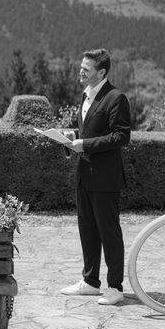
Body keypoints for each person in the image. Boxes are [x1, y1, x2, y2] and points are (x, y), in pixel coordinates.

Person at [60, 48, 131, 306]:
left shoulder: (116, 98)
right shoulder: (86, 96)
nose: (80, 70)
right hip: (84, 176)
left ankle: (115, 287)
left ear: (101, 72)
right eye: (81, 66)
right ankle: (90, 282)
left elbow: (121, 136)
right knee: (87, 231)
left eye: (86, 68)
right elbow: (87, 131)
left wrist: (85, 144)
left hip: (105, 179)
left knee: (109, 233)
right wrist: (72, 140)